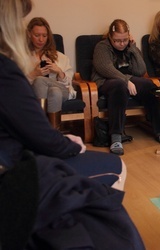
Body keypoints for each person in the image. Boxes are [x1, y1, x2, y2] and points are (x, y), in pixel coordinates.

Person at [0, 0, 144, 249]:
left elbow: (139, 70)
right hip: (15, 163)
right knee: (115, 165)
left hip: (45, 110)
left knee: (53, 88)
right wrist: (67, 144)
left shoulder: (53, 58)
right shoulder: (7, 70)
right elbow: (36, 132)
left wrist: (132, 48)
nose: (39, 38)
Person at [92, 19, 160, 155]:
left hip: (128, 81)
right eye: (117, 41)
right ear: (110, 37)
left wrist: (132, 48)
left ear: (129, 36)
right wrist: (126, 80)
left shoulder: (130, 47)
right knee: (119, 85)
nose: (121, 44)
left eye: (125, 40)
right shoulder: (102, 47)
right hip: (106, 81)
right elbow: (105, 69)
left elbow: (140, 70)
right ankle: (116, 136)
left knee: (149, 85)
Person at [26, 17, 75, 129]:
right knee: (54, 91)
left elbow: (69, 85)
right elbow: (16, 84)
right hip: (34, 94)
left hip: (64, 91)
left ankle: (40, 128)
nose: (41, 39)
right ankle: (54, 133)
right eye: (37, 35)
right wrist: (33, 74)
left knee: (42, 82)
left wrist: (59, 72)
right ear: (29, 35)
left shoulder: (60, 57)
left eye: (44, 35)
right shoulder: (22, 57)